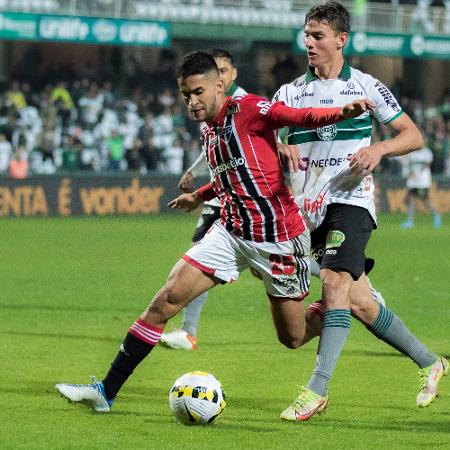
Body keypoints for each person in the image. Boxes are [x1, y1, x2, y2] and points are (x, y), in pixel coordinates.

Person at [55, 50, 372, 413]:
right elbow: (230, 176)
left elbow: (299, 115)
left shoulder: (249, 109)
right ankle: (105, 392)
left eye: (198, 92)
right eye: (185, 94)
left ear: (219, 85)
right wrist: (199, 195)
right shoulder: (209, 128)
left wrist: (341, 112)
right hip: (231, 232)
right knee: (164, 301)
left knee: (293, 336)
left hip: (279, 240)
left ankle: (338, 304)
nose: (192, 102)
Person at [273, 1, 448, 421]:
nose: (309, 43)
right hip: (308, 211)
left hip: (351, 201)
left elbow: (413, 135)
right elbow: (265, 141)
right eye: (306, 34)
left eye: (317, 35)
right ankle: (431, 361)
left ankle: (316, 389)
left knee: (334, 283)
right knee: (360, 303)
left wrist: (379, 149)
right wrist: (282, 146)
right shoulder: (290, 94)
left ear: (341, 39)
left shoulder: (366, 87)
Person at [160, 49, 248, 350]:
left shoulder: (242, 105)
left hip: (241, 199)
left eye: (224, 69)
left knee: (204, 256)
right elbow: (213, 148)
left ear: (232, 74)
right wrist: (195, 173)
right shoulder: (209, 107)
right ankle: (188, 331)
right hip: (221, 194)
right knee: (203, 256)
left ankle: (349, 279)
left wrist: (202, 189)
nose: (220, 76)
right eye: (217, 69)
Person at [400, 145, 441, 228]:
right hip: (412, 181)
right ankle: (410, 221)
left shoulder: (427, 152)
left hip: (423, 181)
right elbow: (407, 164)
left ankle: (436, 215)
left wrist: (417, 172)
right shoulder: (411, 153)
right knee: (410, 200)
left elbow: (427, 165)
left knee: (426, 201)